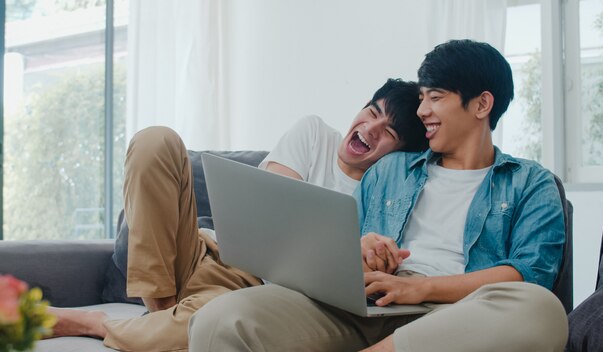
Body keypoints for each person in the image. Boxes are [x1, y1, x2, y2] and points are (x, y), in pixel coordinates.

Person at [188, 39, 569, 352]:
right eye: (421, 98)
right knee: (219, 319)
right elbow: (343, 259)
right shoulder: (390, 170)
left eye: (435, 97)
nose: (422, 110)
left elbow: (529, 274)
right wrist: (361, 249)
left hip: (457, 316)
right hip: (371, 307)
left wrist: (421, 287)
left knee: (541, 311)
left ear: (482, 104)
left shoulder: (530, 182)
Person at [47, 78, 428, 351]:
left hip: (250, 295)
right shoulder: (315, 134)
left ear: (398, 153)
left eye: (389, 132)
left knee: (219, 327)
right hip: (205, 251)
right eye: (372, 112)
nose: (371, 128)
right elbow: (267, 203)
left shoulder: (389, 192)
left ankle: (99, 324)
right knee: (154, 141)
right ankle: (161, 312)